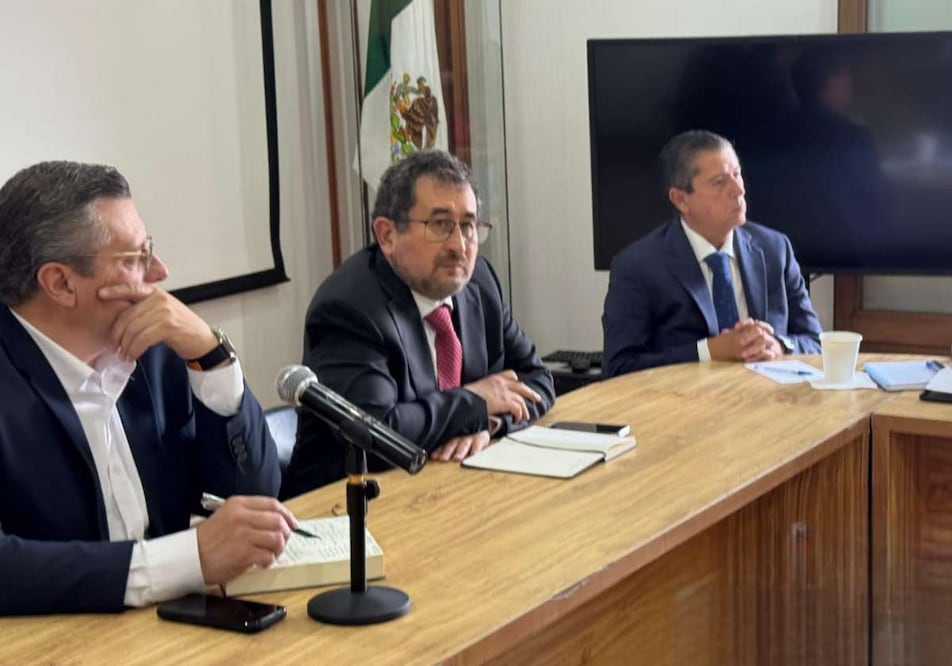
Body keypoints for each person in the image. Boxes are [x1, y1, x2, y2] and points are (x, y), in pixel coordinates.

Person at [0, 161, 293, 615]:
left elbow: (251, 497)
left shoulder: (155, 346)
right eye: (135, 258)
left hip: (168, 630)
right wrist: (186, 560)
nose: (159, 271)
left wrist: (211, 357)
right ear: (60, 283)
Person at [282, 150, 555, 496]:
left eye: (469, 226)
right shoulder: (349, 308)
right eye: (440, 225)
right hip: (349, 507)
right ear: (387, 235)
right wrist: (475, 402)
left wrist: (490, 423)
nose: (459, 246)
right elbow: (376, 434)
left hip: (450, 489)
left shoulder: (479, 282)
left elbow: (538, 378)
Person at [602, 130, 821, 377]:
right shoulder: (638, 266)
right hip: (685, 399)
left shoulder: (774, 249)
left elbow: (815, 340)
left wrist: (779, 345)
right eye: (719, 182)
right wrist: (708, 351)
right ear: (681, 199)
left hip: (766, 395)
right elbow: (619, 366)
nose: (738, 190)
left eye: (737, 174)